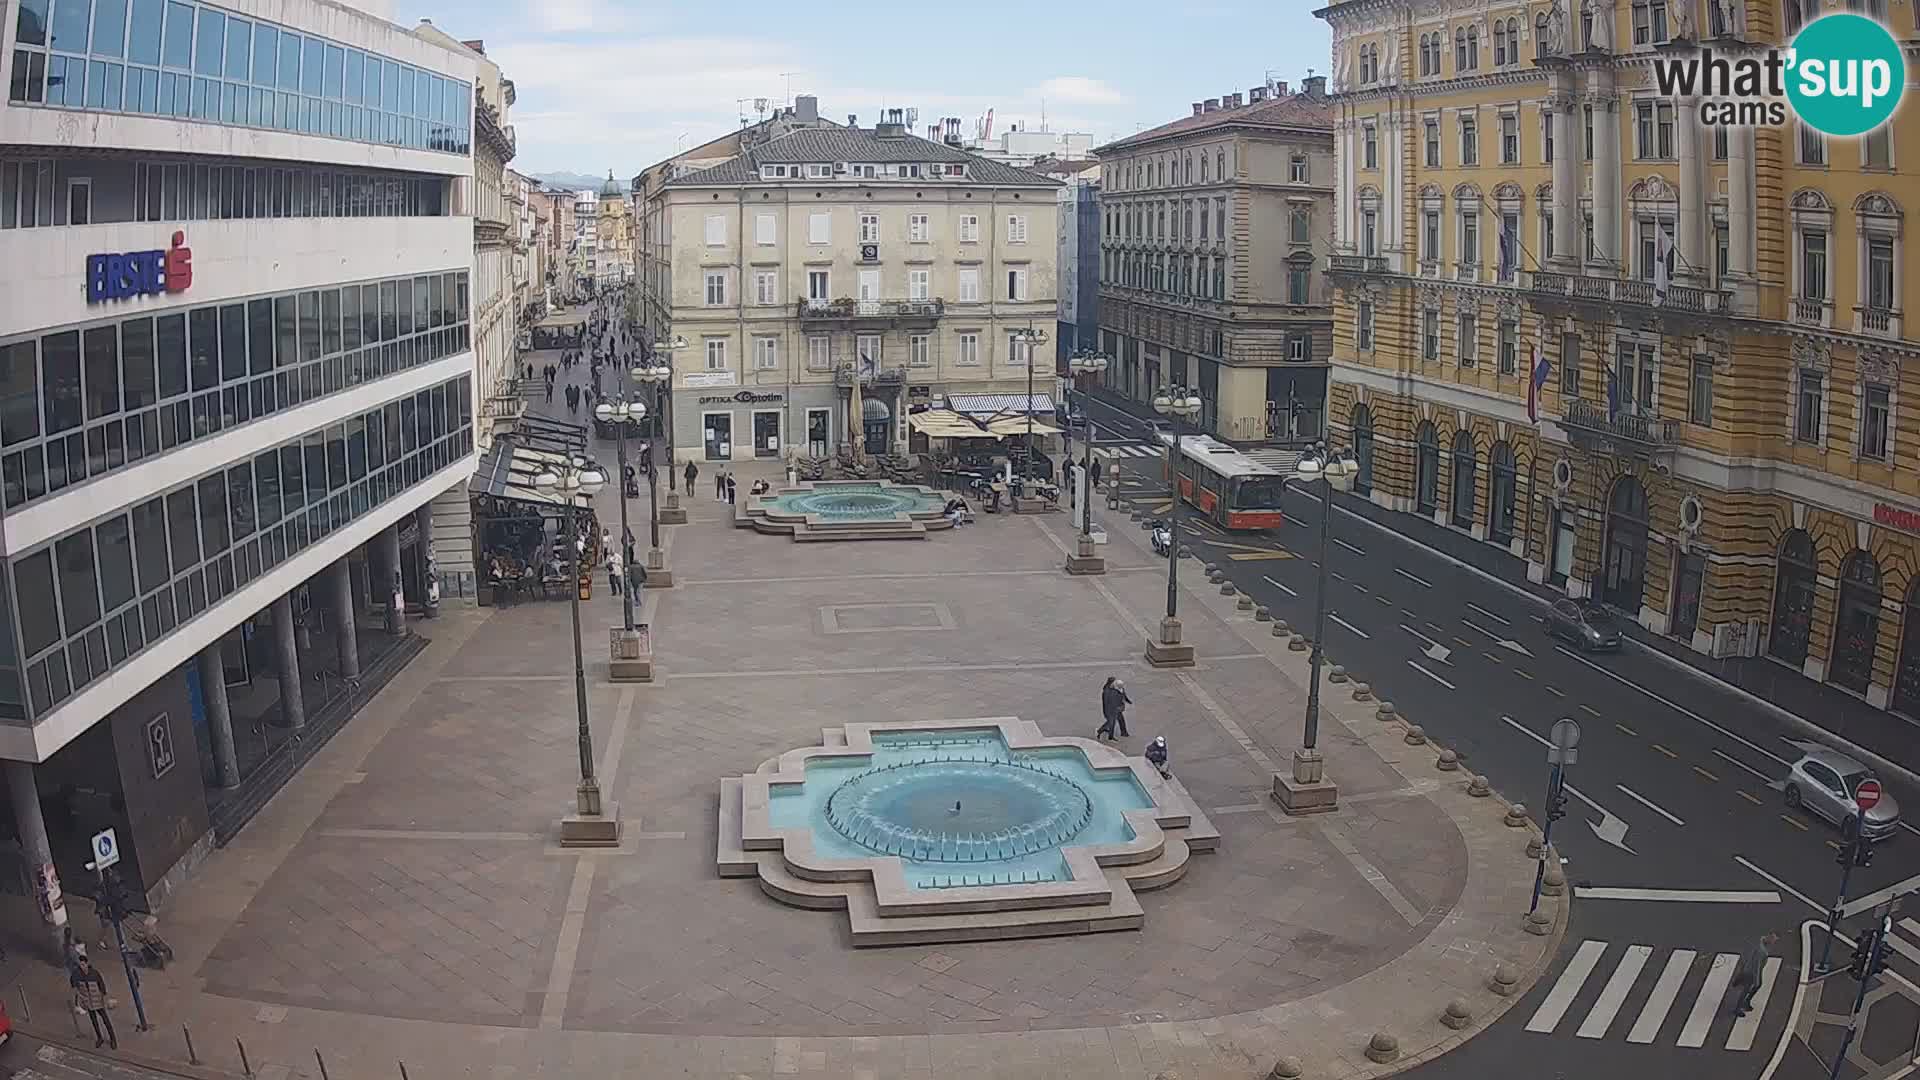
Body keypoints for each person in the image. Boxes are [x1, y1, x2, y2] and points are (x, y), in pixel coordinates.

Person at [70, 952, 116, 1049]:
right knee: (94, 1021)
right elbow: (73, 985)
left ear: (87, 964)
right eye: (80, 965)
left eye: (83, 964)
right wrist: (80, 997)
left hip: (97, 1000)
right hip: (88, 1001)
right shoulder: (77, 974)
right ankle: (99, 1037)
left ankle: (113, 1039)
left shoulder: (94, 973)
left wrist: (104, 997)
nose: (81, 967)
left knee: (105, 1020)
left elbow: (102, 986)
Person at [1730, 932, 1779, 1016]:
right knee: (1747, 989)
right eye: (1773, 939)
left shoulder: (1761, 942)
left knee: (1757, 985)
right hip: (1751, 972)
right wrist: (1756, 980)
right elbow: (1756, 967)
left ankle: (1746, 1001)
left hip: (1749, 968)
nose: (1773, 942)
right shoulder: (1762, 951)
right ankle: (1738, 1008)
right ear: (1769, 937)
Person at [1096, 676, 1131, 741]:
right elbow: (1108, 703)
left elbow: (1123, 695)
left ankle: (1123, 732)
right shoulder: (1107, 692)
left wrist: (1127, 701)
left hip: (1117, 709)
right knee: (1111, 723)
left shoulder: (1118, 687)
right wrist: (1117, 707)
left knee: (1120, 720)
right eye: (1113, 682)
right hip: (1111, 710)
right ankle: (1102, 732)